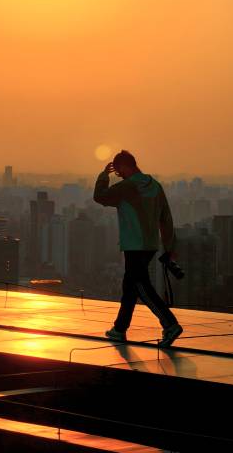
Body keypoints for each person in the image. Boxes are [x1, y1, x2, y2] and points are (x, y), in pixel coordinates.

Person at [94, 149, 183, 347]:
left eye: (119, 172)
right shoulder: (155, 187)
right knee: (130, 286)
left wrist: (103, 176)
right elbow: (166, 219)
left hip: (134, 245)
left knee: (141, 287)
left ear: (124, 167)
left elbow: (100, 196)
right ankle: (119, 329)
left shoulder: (127, 187)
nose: (120, 176)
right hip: (150, 245)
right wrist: (169, 247)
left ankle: (170, 324)